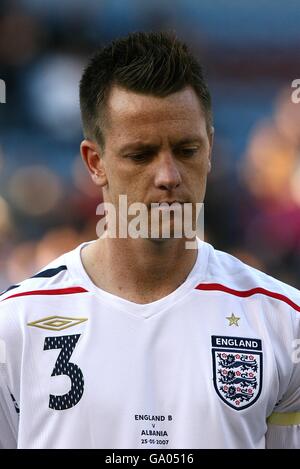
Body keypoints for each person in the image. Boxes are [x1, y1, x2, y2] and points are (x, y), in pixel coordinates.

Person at [0, 31, 299, 449]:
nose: (168, 177)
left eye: (187, 150)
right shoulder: (15, 326)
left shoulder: (284, 324)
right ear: (95, 162)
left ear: (211, 147)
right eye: (140, 155)